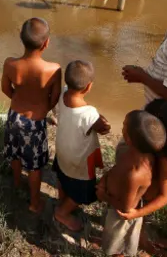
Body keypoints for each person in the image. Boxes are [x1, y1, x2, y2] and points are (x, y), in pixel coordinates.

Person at [1, 17, 63, 213]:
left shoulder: (10, 64)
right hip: (35, 123)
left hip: (14, 116)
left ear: (21, 39)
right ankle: (35, 203)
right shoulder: (53, 70)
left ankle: (17, 183)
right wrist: (43, 109)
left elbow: (5, 89)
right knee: (35, 167)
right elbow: (55, 97)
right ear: (46, 43)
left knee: (15, 153)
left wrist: (17, 99)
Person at [116, 100, 167, 253]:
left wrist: (138, 212)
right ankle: (138, 240)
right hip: (135, 195)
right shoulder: (141, 148)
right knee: (131, 224)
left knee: (131, 225)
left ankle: (135, 242)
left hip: (140, 200)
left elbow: (165, 197)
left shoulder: (163, 159)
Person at [97, 110, 167, 257]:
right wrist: (105, 179)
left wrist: (104, 195)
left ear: (128, 138)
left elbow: (125, 208)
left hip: (120, 216)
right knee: (117, 238)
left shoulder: (136, 174)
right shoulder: (134, 153)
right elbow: (117, 169)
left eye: (123, 125)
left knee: (116, 243)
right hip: (115, 202)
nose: (121, 127)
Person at [53, 60, 111, 232]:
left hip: (63, 151)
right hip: (78, 162)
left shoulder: (62, 93)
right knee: (82, 192)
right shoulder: (89, 113)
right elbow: (104, 128)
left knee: (63, 177)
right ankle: (62, 213)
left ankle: (62, 200)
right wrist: (105, 123)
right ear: (88, 87)